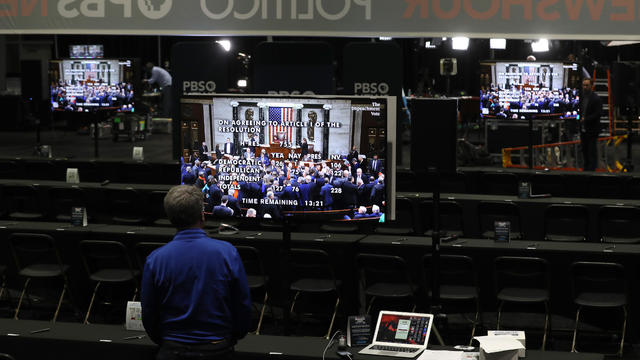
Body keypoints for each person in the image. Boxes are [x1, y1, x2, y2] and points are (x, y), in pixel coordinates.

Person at [141, 186, 251, 360]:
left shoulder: (155, 259)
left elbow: (148, 313)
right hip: (218, 348)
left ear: (170, 217)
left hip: (171, 349)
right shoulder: (227, 253)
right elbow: (243, 306)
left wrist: (166, 342)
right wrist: (230, 338)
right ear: (202, 214)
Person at [579, 78, 603, 171]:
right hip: (583, 129)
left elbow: (598, 113)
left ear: (591, 86)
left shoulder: (596, 98)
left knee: (591, 152)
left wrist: (586, 119)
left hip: (592, 129)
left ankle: (591, 171)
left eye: (587, 85)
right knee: (584, 151)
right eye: (583, 85)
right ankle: (585, 170)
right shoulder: (581, 97)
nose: (585, 87)